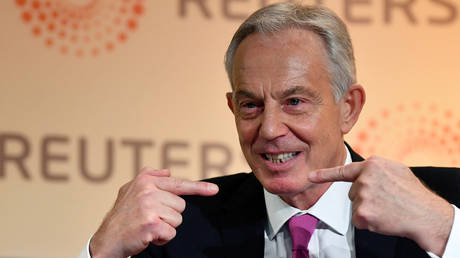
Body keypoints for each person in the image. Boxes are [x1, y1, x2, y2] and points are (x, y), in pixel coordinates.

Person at [79, 2, 460, 258]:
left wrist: (445, 229)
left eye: (295, 102)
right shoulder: (178, 230)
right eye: (251, 105)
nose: (270, 129)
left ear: (349, 108)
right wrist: (101, 251)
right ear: (232, 108)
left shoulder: (444, 207)